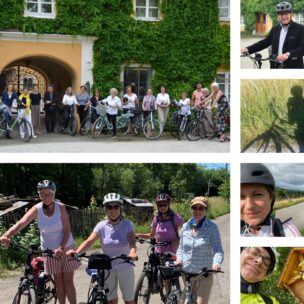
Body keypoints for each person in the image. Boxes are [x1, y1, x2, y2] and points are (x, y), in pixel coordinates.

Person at [0, 180, 80, 304]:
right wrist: (6, 234)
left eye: (49, 193)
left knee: (68, 281)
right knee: (58, 282)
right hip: (49, 251)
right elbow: (21, 223)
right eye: (43, 193)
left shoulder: (61, 207)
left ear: (54, 194)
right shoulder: (37, 209)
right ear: (39, 194)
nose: (46, 196)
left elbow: (67, 229)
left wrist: (62, 247)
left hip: (66, 247)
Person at [66, 193, 137, 304]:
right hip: (107, 268)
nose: (113, 210)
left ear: (120, 208)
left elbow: (131, 240)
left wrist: (132, 252)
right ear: (106, 209)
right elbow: (89, 241)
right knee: (111, 300)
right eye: (109, 207)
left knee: (129, 300)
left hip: (125, 267)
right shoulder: (101, 225)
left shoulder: (127, 224)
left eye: (116, 206)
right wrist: (77, 252)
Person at [176, 196, 224, 304]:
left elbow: (218, 250)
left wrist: (216, 263)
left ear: (205, 210)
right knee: (182, 302)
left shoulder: (212, 227)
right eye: (194, 208)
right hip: (187, 273)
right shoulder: (185, 226)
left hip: (203, 275)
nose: (197, 211)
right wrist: (179, 259)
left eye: (201, 208)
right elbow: (181, 247)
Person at [241, 163, 301, 237]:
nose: (249, 206)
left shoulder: (286, 231)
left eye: (257, 195)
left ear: (271, 199)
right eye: (240, 196)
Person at [240, 2, 304, 69]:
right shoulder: (275, 29)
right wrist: (248, 49)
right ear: (278, 16)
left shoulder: (300, 29)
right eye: (281, 14)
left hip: (293, 67)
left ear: (290, 14)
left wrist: (288, 54)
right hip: (275, 66)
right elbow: (265, 42)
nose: (284, 16)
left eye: (286, 13)